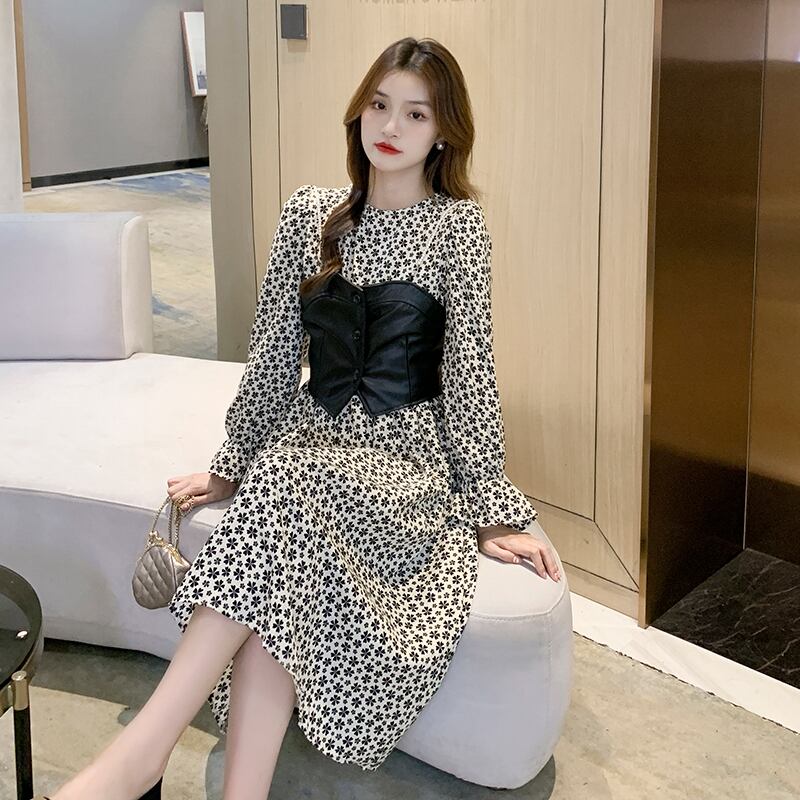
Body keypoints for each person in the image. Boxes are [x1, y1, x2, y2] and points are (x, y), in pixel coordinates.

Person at [39, 36, 559, 800]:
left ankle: (137, 760)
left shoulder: (457, 228)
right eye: (379, 104)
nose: (391, 126)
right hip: (310, 445)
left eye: (416, 114)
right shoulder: (310, 215)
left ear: (443, 133)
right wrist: (229, 466)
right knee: (283, 521)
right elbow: (274, 356)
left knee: (284, 485)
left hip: (402, 470)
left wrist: (490, 510)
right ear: (358, 111)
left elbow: (470, 374)